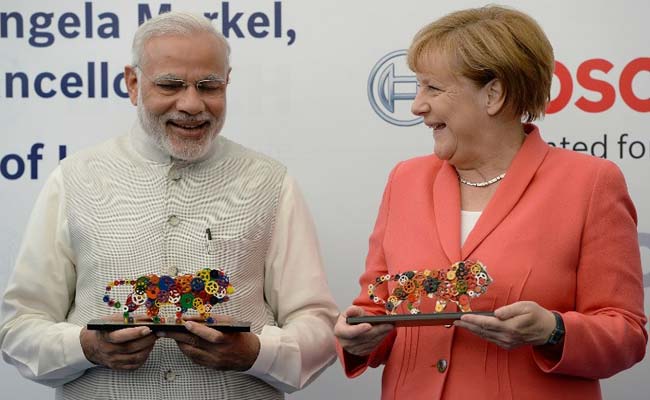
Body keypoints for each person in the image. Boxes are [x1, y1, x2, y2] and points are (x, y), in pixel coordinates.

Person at [0, 11, 338, 400]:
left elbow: (317, 324)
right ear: (133, 83)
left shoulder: (270, 182)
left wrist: (256, 354)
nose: (192, 104)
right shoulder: (75, 178)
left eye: (209, 86)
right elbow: (20, 326)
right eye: (170, 85)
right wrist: (87, 347)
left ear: (227, 83)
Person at [334, 5, 647, 400]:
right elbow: (375, 308)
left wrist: (553, 330)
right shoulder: (405, 181)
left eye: (432, 88)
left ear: (493, 94)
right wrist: (358, 336)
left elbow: (626, 334)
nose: (416, 106)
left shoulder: (590, 183)